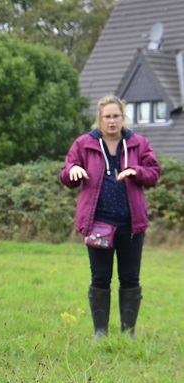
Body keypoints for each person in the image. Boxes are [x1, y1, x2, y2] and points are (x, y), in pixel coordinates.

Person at [60, 95, 161, 341]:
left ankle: (129, 333)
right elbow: (66, 173)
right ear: (100, 118)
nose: (112, 121)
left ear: (122, 117)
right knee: (100, 277)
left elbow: (154, 173)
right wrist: (72, 171)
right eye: (107, 116)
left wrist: (135, 170)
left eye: (116, 116)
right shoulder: (84, 143)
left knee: (130, 277)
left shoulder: (138, 143)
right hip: (97, 224)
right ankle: (100, 333)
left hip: (131, 225)